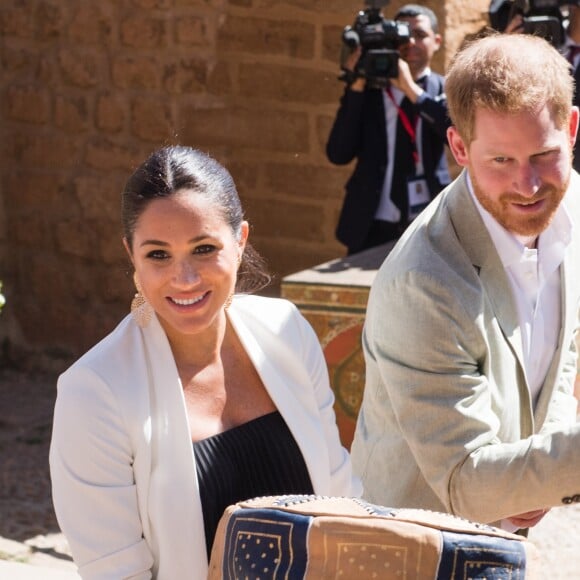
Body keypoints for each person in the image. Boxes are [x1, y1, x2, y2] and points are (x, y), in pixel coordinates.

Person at [49, 145, 361, 578]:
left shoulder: (286, 331)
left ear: (240, 241)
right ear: (131, 256)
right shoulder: (94, 391)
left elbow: (342, 500)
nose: (186, 278)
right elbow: (116, 572)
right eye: (158, 254)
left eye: (204, 248)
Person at [350, 32, 580, 533]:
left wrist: (530, 476)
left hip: (506, 538)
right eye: (501, 160)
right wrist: (523, 479)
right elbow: (467, 484)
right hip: (417, 548)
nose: (529, 185)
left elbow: (563, 353)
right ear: (458, 146)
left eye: (543, 154)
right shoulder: (423, 281)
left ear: (573, 128)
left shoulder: (572, 206)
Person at [326, 4, 451, 256]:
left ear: (437, 41)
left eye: (420, 35)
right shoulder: (370, 92)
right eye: (403, 36)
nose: (411, 43)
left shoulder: (444, 89)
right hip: (371, 221)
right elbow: (338, 153)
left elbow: (458, 134)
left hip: (426, 221)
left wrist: (412, 92)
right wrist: (357, 86)